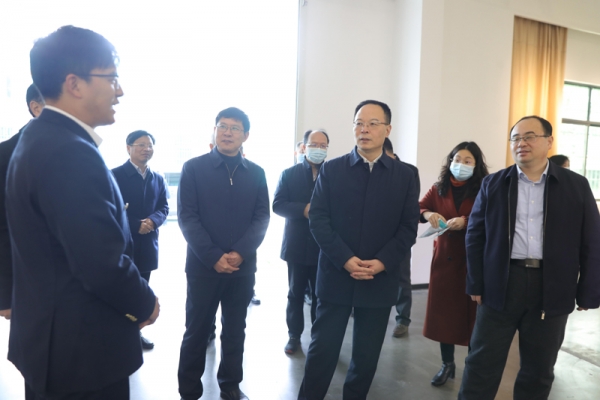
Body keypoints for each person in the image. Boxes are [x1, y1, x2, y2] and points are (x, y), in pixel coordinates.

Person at [6, 26, 159, 400]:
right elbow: (100, 262)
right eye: (112, 78)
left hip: (53, 342)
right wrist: (145, 302)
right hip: (82, 354)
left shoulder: (38, 137)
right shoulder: (69, 152)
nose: (119, 91)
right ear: (74, 84)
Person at [459, 116, 600, 400]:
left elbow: (592, 241)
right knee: (481, 363)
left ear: (549, 141)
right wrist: (475, 282)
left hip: (552, 286)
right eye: (516, 138)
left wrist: (588, 291)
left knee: (539, 370)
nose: (521, 143)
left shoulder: (576, 185)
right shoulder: (494, 184)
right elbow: (475, 236)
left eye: (530, 136)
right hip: (501, 283)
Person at [298, 100, 420, 400]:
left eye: (373, 123)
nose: (364, 129)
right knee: (322, 352)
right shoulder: (333, 169)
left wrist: (382, 262)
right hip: (336, 275)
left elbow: (408, 227)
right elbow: (319, 219)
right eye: (359, 123)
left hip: (379, 280)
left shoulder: (405, 175)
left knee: (366, 359)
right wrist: (345, 259)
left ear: (387, 129)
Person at [177, 107, 270, 400]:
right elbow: (187, 217)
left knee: (235, 330)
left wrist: (241, 252)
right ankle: (189, 390)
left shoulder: (256, 173)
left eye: (234, 128)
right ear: (215, 130)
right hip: (203, 268)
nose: (227, 133)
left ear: (246, 136)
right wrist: (212, 256)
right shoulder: (194, 168)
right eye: (222, 126)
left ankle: (230, 385)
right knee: (197, 330)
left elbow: (262, 217)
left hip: (242, 269)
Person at [419, 142, 489, 386]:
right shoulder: (439, 187)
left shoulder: (484, 187)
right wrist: (429, 214)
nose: (461, 165)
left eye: (467, 161)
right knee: (444, 315)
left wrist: (466, 221)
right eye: (457, 159)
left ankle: (473, 365)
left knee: (474, 316)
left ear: (476, 165)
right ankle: (447, 364)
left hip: (474, 260)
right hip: (445, 260)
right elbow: (420, 208)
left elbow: (492, 216)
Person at [273, 128, 329, 354]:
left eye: (323, 145)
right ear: (304, 147)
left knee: (320, 295)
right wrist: (303, 209)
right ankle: (294, 335)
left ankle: (319, 337)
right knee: (295, 293)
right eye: (314, 144)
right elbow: (278, 205)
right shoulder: (289, 174)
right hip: (296, 244)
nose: (318, 149)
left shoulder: (333, 173)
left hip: (324, 246)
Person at [112, 130, 169, 350]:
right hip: (123, 245)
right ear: (128, 148)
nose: (147, 149)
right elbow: (111, 208)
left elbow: (164, 207)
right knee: (120, 291)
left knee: (142, 290)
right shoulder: (114, 175)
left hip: (148, 244)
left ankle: (135, 332)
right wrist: (136, 224)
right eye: (141, 145)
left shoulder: (158, 178)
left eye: (150, 145)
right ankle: (117, 334)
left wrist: (153, 221)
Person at [0, 84, 45, 321]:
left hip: (75, 283)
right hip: (28, 277)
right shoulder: (6, 154)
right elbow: (2, 226)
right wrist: (5, 292)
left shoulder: (82, 150)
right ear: (36, 108)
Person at [382, 138, 420, 338]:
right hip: (375, 234)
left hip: (400, 234)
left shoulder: (409, 171)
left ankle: (403, 319)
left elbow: (411, 206)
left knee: (402, 277)